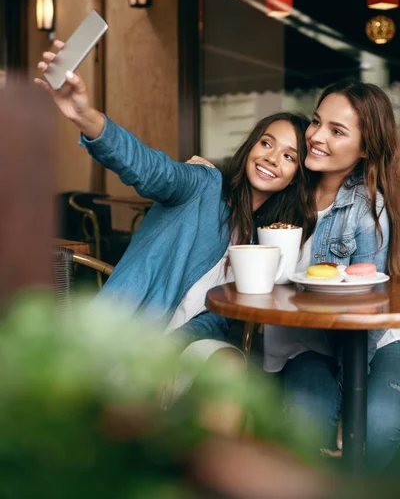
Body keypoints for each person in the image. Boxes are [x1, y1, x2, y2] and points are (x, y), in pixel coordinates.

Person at [35, 41, 314, 354]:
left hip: (184, 348)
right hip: (125, 338)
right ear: (251, 146)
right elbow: (150, 168)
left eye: (289, 156)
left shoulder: (268, 239)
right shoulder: (203, 186)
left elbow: (218, 316)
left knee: (229, 363)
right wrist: (86, 117)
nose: (272, 158)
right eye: (266, 143)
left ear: (296, 178)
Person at [188, 81, 400, 473]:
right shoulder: (291, 183)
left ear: (366, 147)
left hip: (365, 343)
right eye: (317, 122)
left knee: (372, 430)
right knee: (304, 434)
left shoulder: (368, 209)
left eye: (337, 131)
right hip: (308, 343)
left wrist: (347, 405)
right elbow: (249, 186)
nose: (316, 137)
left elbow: (367, 316)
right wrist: (209, 175)